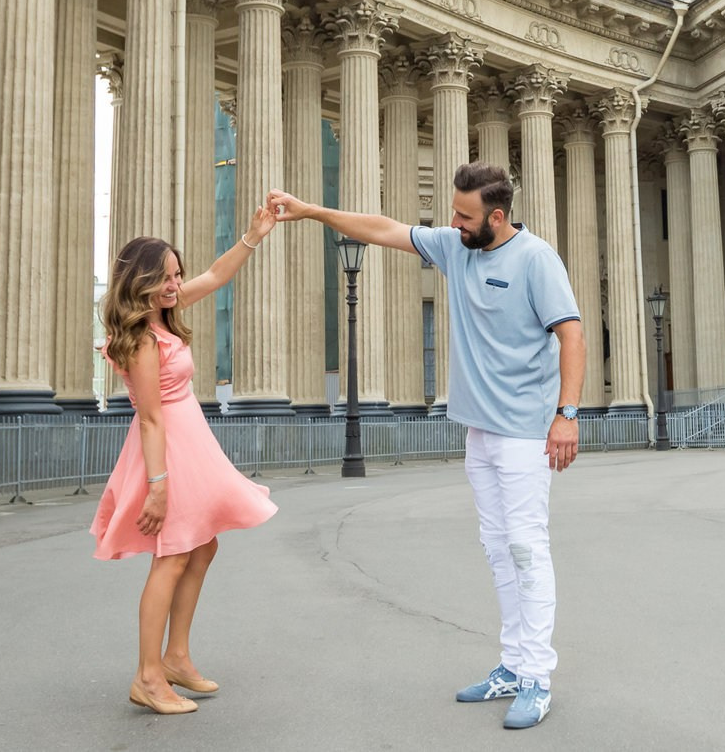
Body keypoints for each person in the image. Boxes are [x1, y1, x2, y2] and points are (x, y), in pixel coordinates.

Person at [268, 163, 584, 731]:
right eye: (453, 213)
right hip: (480, 431)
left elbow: (572, 334)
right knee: (497, 548)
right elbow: (381, 228)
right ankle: (513, 665)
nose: (453, 223)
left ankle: (538, 676)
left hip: (525, 432)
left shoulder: (537, 259)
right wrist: (312, 211)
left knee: (526, 548)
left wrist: (567, 415)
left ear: (496, 216)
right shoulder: (456, 247)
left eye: (464, 215)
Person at [90, 207, 282, 716]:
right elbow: (151, 418)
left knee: (202, 545)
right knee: (173, 555)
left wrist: (253, 235)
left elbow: (216, 275)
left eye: (177, 274)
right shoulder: (142, 338)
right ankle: (148, 676)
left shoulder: (163, 317)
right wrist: (157, 485)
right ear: (141, 281)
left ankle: (175, 657)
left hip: (189, 444)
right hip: (168, 451)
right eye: (165, 277)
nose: (175, 284)